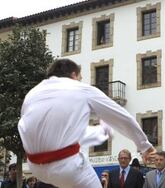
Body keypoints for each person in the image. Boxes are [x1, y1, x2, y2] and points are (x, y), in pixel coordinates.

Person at [18, 59, 156, 187]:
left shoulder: (31, 94)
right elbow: (121, 116)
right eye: (79, 78)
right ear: (74, 75)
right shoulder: (81, 89)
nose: (79, 80)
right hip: (67, 166)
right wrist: (145, 146)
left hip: (35, 167)